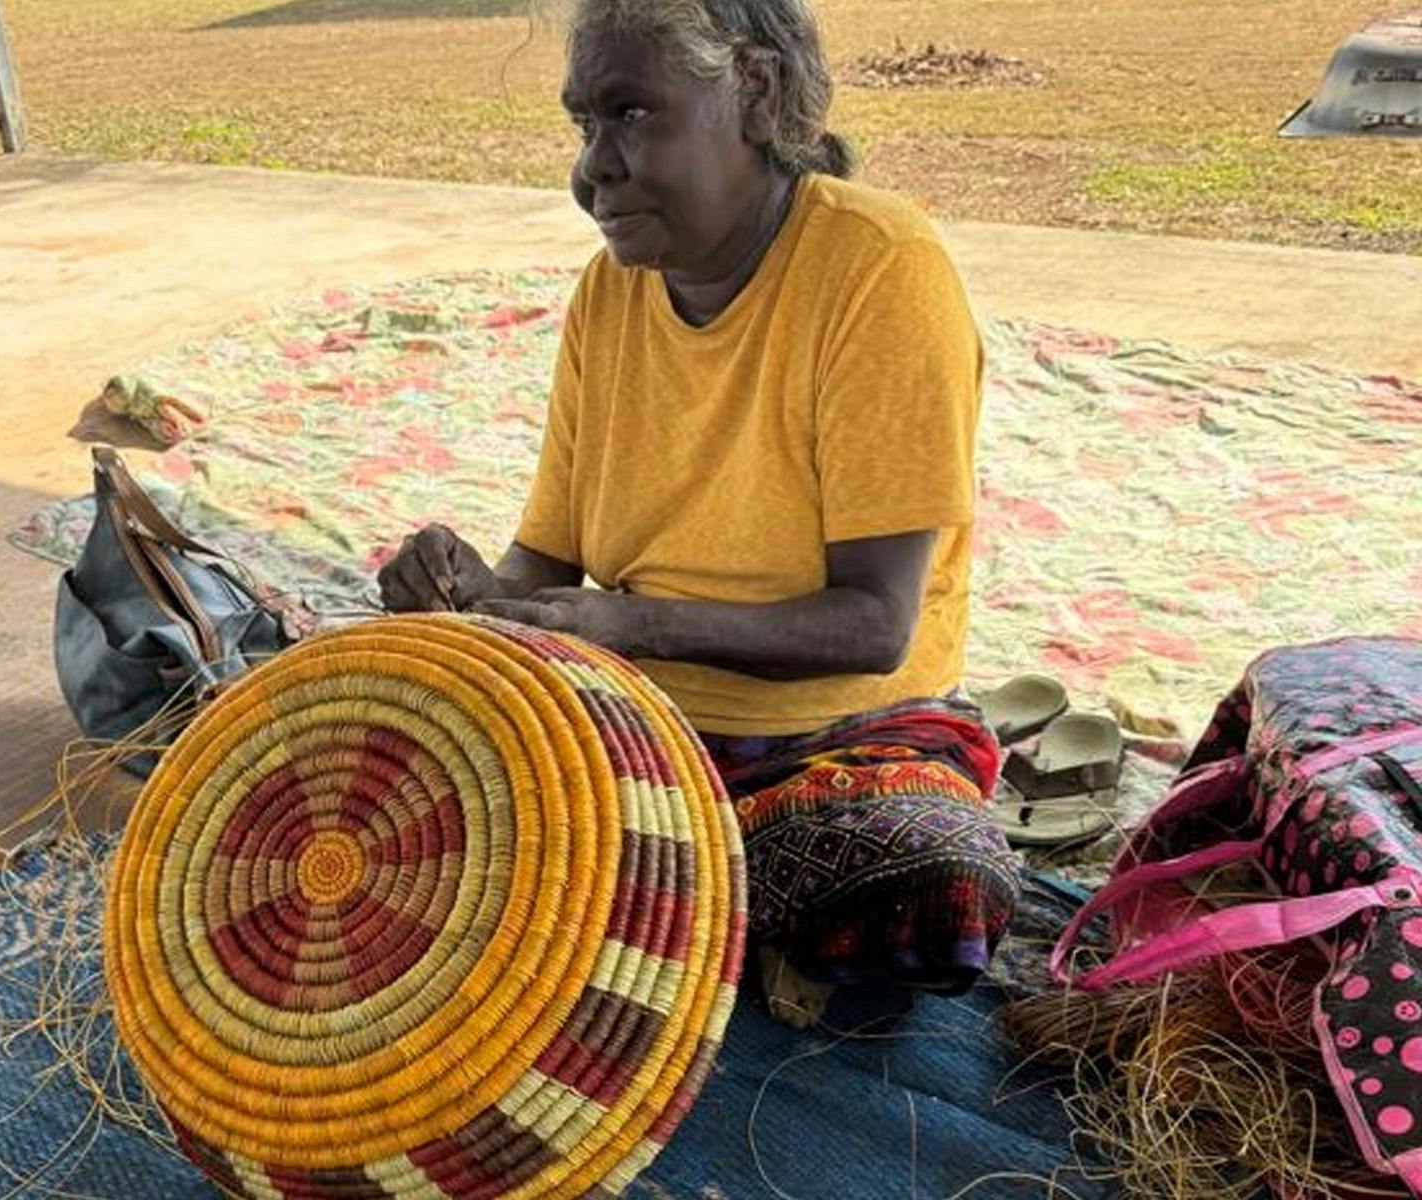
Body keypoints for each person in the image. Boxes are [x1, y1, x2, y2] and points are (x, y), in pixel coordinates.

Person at [379, 0, 1018, 1027]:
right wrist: (464, 596)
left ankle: (642, 904)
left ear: (756, 94)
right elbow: (541, 570)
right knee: (369, 758)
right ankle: (697, 910)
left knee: (928, 871)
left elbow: (873, 623)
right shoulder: (608, 294)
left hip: (836, 739)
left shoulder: (877, 269)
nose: (593, 171)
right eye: (583, 126)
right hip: (632, 729)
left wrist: (631, 625)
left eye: (630, 113)